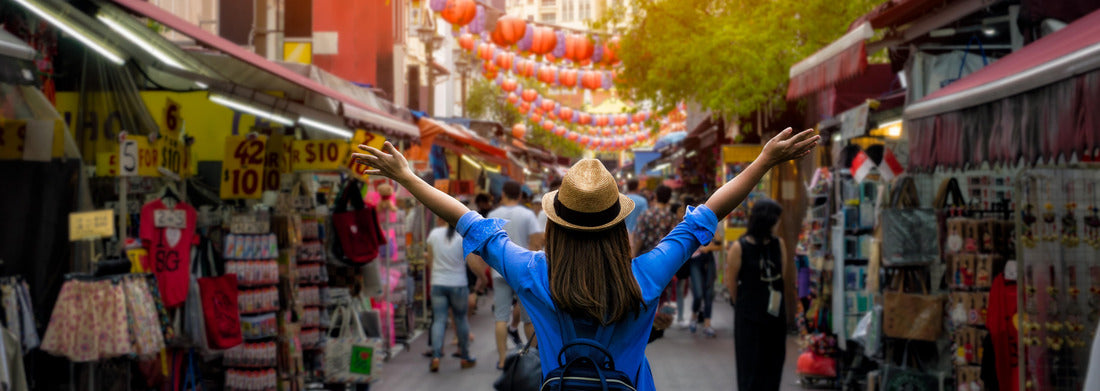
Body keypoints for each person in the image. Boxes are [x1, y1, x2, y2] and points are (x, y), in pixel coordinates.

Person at [352, 127, 817, 391]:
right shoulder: (645, 276)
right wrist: (763, 162)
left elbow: (468, 220)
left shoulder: (535, 274)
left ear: (557, 223)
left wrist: (409, 180)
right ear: (619, 225)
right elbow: (707, 214)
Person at [725, 199, 788, 390]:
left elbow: (781, 275)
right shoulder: (739, 247)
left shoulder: (779, 244)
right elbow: (731, 282)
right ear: (766, 220)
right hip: (749, 316)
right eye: (776, 219)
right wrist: (741, 304)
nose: (778, 223)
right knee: (749, 366)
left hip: (775, 315)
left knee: (773, 364)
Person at [487, 181, 544, 369]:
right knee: (529, 319)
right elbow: (536, 242)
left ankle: (502, 360)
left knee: (501, 317)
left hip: (499, 269)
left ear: (503, 194)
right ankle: (535, 358)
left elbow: (486, 244)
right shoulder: (528, 215)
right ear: (520, 196)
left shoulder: (493, 215)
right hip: (523, 270)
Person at [425, 215, 485, 372]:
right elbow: (472, 263)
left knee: (439, 320)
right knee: (461, 319)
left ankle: (436, 356)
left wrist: (437, 275)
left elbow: (430, 261)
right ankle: (465, 357)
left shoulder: (433, 235)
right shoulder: (462, 237)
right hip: (458, 284)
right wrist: (482, 278)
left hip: (438, 283)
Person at [624, 179, 649, 244]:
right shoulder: (643, 201)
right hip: (638, 236)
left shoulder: (622, 200)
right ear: (637, 187)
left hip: (624, 235)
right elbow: (645, 217)